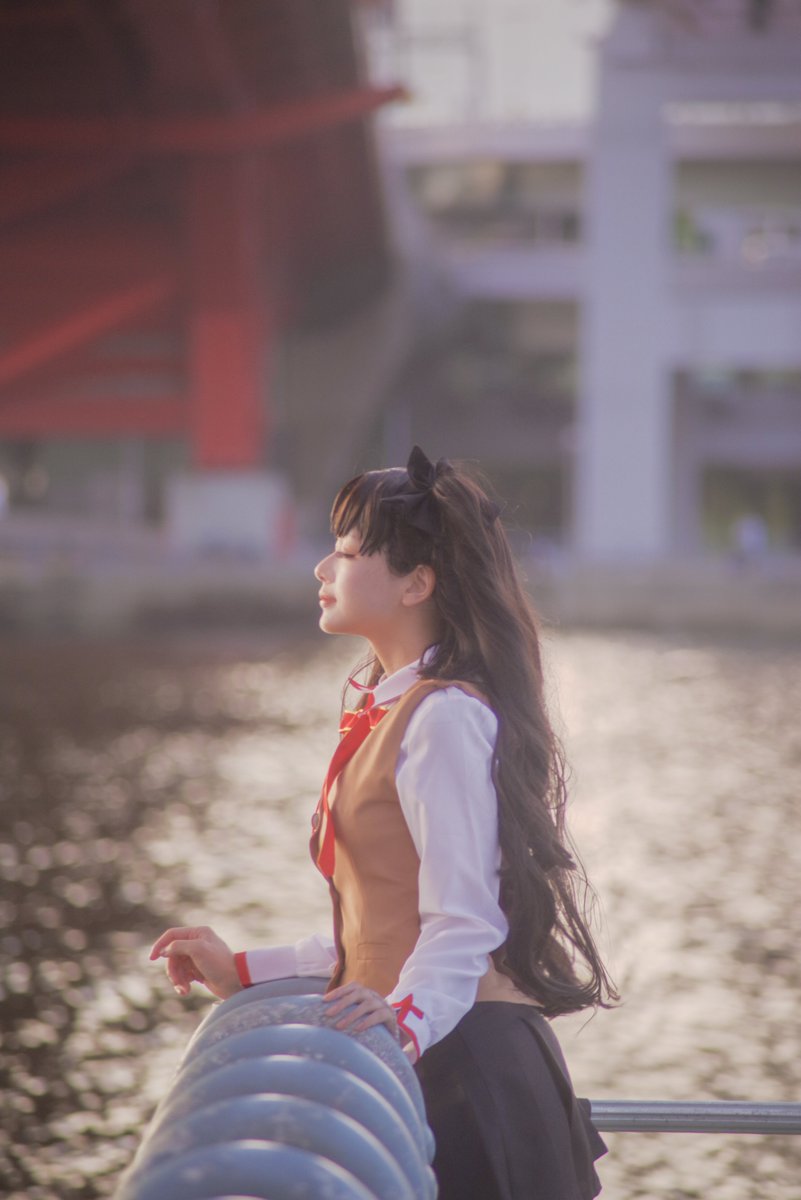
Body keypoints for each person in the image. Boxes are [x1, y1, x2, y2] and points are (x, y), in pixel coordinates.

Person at [150, 446, 616, 1199]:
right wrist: (242, 969)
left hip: (468, 1071)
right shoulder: (396, 709)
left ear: (415, 583)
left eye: (344, 551)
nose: (320, 567)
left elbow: (463, 921)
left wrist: (401, 1020)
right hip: (420, 1059)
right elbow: (377, 934)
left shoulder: (444, 717)